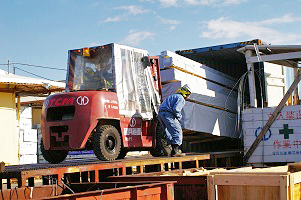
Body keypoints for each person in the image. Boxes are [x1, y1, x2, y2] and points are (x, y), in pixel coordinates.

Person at [158, 84, 192, 157]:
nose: (188, 97)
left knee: (167, 131)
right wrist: (179, 118)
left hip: (161, 114)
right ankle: (175, 151)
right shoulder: (181, 98)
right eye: (188, 94)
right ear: (186, 93)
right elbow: (176, 109)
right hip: (169, 115)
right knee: (177, 130)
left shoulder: (172, 96)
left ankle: (169, 149)